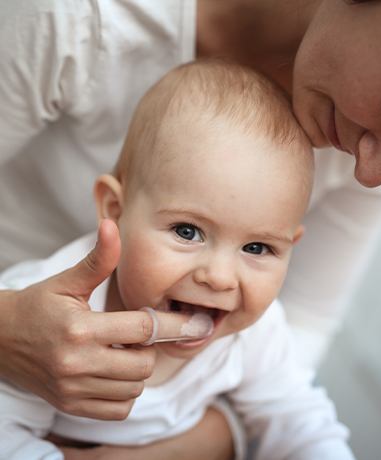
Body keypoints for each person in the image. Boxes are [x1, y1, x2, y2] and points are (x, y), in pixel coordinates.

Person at [0, 0, 381, 446]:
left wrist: (217, 438)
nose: (371, 174)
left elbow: (299, 412)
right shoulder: (74, 19)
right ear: (113, 211)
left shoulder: (254, 334)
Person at [0, 60, 355, 460]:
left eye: (257, 248)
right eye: (188, 231)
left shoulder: (254, 333)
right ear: (115, 210)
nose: (220, 278)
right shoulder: (47, 321)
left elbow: (297, 421)